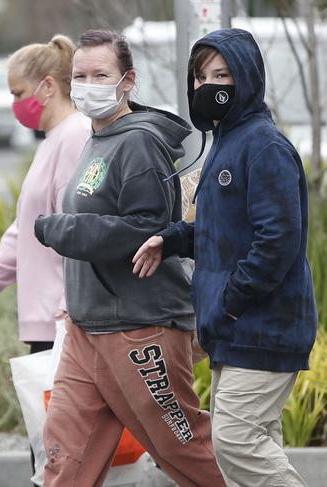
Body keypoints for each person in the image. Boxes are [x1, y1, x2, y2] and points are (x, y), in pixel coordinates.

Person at [33, 30, 226, 487]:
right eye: (79, 75)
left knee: (185, 451)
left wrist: (58, 228)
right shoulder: (99, 136)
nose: (87, 84)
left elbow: (147, 227)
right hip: (86, 328)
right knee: (65, 458)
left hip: (140, 329)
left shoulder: (138, 143)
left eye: (100, 74)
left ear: (127, 81)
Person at [133, 28, 317, 487]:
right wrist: (172, 239)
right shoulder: (227, 142)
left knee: (236, 441)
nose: (208, 86)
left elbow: (277, 242)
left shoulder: (264, 146)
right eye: (200, 77)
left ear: (248, 77)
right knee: (252, 448)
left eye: (222, 74)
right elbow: (224, 232)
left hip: (261, 327)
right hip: (235, 329)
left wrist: (231, 301)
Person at [0, 34, 90, 482]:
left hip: (61, 321)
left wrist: (71, 303)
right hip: (49, 319)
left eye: (18, 93)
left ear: (48, 86)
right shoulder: (54, 139)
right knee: (53, 453)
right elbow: (29, 225)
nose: (15, 104)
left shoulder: (72, 138)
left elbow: (79, 229)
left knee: (59, 456)